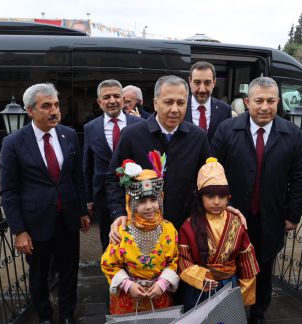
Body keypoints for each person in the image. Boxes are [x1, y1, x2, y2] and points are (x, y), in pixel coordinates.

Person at [212, 77, 302, 324]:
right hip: (232, 216)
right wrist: (214, 211)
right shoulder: (226, 130)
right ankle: (228, 314)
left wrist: (292, 214)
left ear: (278, 102)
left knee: (264, 269)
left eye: (270, 101)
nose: (264, 107)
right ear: (247, 102)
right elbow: (213, 172)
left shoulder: (292, 134)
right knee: (227, 267)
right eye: (258, 101)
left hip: (271, 217)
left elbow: (301, 177)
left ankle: (257, 317)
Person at [0, 83, 90, 324]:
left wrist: (82, 210)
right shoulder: (14, 142)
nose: (54, 111)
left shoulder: (69, 135)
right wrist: (19, 231)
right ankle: (45, 318)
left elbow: (76, 178)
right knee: (39, 275)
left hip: (68, 219)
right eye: (46, 106)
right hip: (35, 223)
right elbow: (8, 191)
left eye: (57, 105)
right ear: (30, 111)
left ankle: (68, 315)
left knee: (69, 271)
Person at [107, 75, 211, 239]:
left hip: (185, 228)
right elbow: (113, 179)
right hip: (141, 228)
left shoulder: (198, 137)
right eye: (168, 102)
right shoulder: (132, 135)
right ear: (155, 103)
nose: (175, 109)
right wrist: (118, 213)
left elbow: (209, 180)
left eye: (181, 103)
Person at [101, 154, 179, 314]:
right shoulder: (122, 230)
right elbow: (109, 263)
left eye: (153, 200)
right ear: (131, 203)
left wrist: (163, 284)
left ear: (161, 199)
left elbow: (175, 260)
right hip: (128, 298)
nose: (149, 207)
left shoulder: (169, 229)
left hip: (159, 296)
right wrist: (127, 285)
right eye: (142, 202)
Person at [178, 157, 259, 312]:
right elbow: (183, 260)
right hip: (201, 287)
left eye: (222, 197)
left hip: (229, 286)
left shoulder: (236, 222)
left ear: (228, 198)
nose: (217, 202)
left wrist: (243, 293)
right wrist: (201, 276)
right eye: (210, 197)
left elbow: (247, 259)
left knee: (227, 321)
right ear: (200, 197)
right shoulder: (189, 225)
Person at [83, 79, 142, 251]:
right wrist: (88, 199)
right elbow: (87, 165)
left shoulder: (139, 124)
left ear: (123, 99)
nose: (112, 101)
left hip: (137, 195)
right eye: (106, 97)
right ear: (99, 102)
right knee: (109, 242)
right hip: (103, 197)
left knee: (137, 242)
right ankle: (112, 277)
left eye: (116, 96)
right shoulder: (90, 128)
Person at [185, 61, 232, 142]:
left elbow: (227, 140)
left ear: (214, 83)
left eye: (207, 83)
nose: (202, 89)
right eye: (197, 82)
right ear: (190, 81)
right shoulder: (180, 107)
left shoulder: (225, 110)